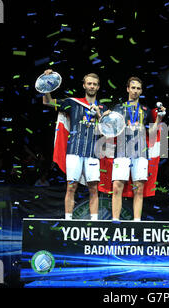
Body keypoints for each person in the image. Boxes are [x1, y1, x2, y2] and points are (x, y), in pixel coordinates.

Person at [42, 70, 109, 220]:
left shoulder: (104, 109)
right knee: (71, 187)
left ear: (98, 87)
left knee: (93, 189)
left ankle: (94, 221)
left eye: (95, 84)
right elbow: (48, 101)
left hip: (93, 153)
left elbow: (107, 134)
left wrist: (99, 115)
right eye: (89, 84)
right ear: (84, 85)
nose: (92, 86)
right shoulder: (72, 103)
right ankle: (68, 219)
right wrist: (47, 84)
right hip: (74, 151)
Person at [105, 77, 166, 221]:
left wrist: (159, 119)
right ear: (127, 89)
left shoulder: (145, 110)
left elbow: (152, 133)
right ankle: (115, 220)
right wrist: (105, 118)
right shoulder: (118, 108)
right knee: (117, 187)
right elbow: (110, 130)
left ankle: (137, 221)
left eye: (138, 88)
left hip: (140, 153)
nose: (135, 91)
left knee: (139, 189)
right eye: (133, 88)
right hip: (121, 152)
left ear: (141, 91)